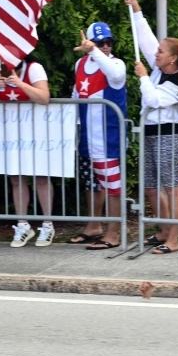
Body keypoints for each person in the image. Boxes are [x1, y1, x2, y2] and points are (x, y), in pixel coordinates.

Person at [128, 0, 178, 255]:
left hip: (169, 135)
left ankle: (174, 239)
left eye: (161, 52)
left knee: (171, 187)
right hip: (150, 133)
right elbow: (145, 38)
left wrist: (144, 78)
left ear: (173, 59)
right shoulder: (160, 69)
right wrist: (136, 9)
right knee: (150, 186)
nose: (155, 54)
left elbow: (154, 100)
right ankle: (162, 230)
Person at [0, 54, 54, 248]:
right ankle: (22, 225)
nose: (0, 69)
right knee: (16, 178)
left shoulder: (34, 68)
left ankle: (47, 224)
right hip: (10, 134)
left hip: (36, 133)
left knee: (41, 178)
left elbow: (44, 97)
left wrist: (20, 84)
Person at [69, 23, 128, 251]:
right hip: (87, 137)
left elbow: (113, 74)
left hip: (108, 139)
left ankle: (113, 234)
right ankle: (93, 226)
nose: (105, 47)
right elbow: (76, 95)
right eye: (100, 42)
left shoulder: (116, 64)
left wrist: (93, 50)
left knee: (113, 187)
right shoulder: (81, 64)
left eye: (108, 42)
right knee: (92, 185)